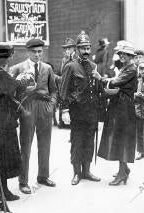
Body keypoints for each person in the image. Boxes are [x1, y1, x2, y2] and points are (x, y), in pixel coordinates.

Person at [0, 42, 33, 201]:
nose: (12, 57)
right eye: (10, 55)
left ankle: (2, 191)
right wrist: (25, 80)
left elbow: (9, 89)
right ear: (5, 57)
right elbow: (13, 86)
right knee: (0, 158)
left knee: (1, 158)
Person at [10, 38, 57, 194]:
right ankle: (23, 181)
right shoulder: (17, 68)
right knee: (26, 145)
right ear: (27, 51)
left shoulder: (47, 68)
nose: (37, 55)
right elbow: (11, 93)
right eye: (34, 52)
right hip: (27, 107)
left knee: (45, 143)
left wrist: (51, 105)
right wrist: (20, 108)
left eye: (40, 52)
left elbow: (53, 90)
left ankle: (43, 176)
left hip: (44, 107)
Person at [60, 31, 101, 185]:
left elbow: (96, 88)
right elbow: (63, 89)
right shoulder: (70, 66)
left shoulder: (93, 66)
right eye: (82, 48)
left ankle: (87, 171)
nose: (86, 51)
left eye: (88, 48)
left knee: (89, 141)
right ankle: (77, 173)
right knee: (77, 141)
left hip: (91, 112)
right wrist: (64, 110)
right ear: (76, 49)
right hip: (77, 111)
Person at [95, 41, 138, 186]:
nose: (122, 56)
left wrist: (101, 78)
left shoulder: (131, 69)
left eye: (125, 54)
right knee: (118, 136)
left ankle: (121, 174)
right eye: (120, 53)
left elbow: (116, 82)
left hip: (124, 106)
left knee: (121, 138)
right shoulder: (126, 67)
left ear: (130, 55)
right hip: (119, 104)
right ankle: (124, 169)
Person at [55, 38, 76, 128]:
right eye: (66, 48)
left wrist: (55, 77)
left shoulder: (76, 59)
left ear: (74, 48)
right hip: (65, 88)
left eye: (69, 48)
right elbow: (63, 73)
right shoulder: (65, 59)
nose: (67, 50)